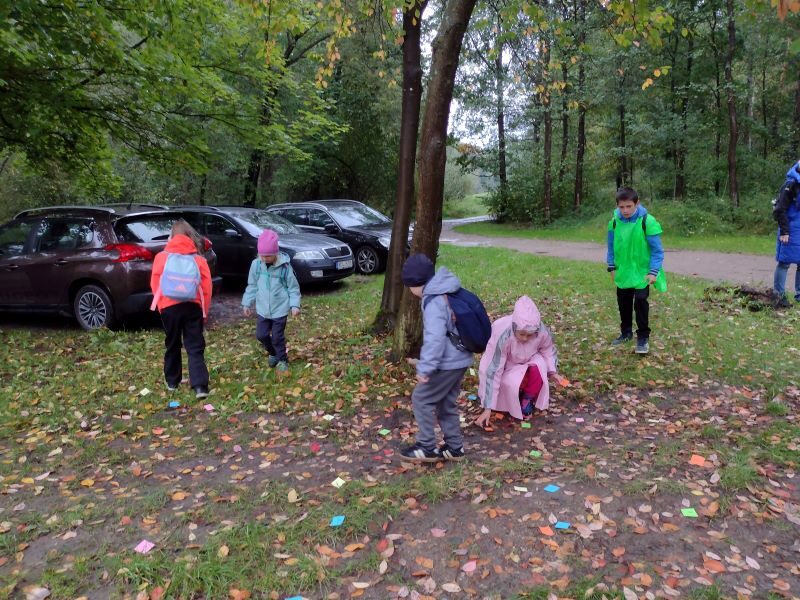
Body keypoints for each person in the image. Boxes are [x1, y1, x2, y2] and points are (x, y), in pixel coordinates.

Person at [399, 254, 474, 463]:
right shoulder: (445, 289)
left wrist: (425, 368)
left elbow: (435, 338)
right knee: (445, 403)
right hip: (460, 357)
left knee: (421, 398)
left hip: (447, 362)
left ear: (415, 284)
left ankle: (427, 446)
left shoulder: (433, 300)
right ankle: (454, 448)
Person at [475, 296, 564, 427]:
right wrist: (488, 407)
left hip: (530, 359)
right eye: (522, 334)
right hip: (507, 365)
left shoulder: (541, 331)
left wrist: (553, 372)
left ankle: (527, 398)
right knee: (510, 384)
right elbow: (494, 368)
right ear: (514, 327)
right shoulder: (503, 334)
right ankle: (509, 397)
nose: (525, 338)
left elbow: (548, 349)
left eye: (529, 335)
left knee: (539, 367)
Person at [150, 219, 213, 399]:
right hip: (193, 307)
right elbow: (206, 288)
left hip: (169, 308)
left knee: (172, 344)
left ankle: (172, 382)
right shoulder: (199, 259)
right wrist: (204, 311)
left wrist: (162, 306)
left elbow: (155, 283)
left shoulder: (161, 257)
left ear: (171, 236)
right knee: (195, 346)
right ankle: (200, 386)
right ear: (190, 237)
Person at [607, 187, 666, 354]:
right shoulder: (614, 222)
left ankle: (643, 337)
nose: (625, 210)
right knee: (623, 303)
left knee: (640, 302)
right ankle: (626, 333)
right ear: (617, 206)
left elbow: (657, 251)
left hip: (642, 273)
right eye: (621, 207)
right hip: (623, 272)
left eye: (629, 206)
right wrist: (611, 266)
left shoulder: (647, 221)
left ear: (637, 203)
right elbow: (611, 247)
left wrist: (653, 272)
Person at [241, 229, 301, 373]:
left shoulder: (285, 268)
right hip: (263, 309)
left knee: (277, 337)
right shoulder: (256, 265)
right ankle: (273, 353)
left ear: (276, 253)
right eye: (262, 255)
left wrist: (294, 305)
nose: (265, 259)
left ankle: (282, 359)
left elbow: (293, 288)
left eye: (268, 256)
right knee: (261, 335)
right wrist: (247, 303)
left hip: (280, 309)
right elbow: (252, 285)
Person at [772, 160, 800, 308]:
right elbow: (779, 209)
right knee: (784, 263)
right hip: (790, 230)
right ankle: (779, 296)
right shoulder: (790, 185)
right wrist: (784, 231)